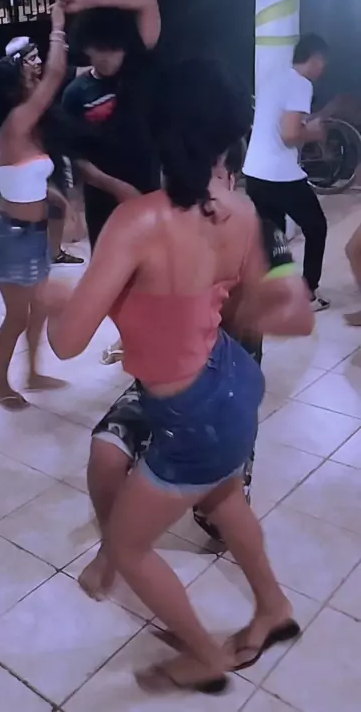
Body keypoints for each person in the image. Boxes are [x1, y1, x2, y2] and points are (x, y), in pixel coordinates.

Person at [46, 57, 313, 693]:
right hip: (233, 382)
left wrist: (58, 298)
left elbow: (65, 342)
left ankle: (204, 656)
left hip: (191, 412)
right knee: (224, 497)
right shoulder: (242, 212)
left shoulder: (138, 223)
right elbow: (264, 306)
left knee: (129, 546)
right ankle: (273, 607)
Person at [82, 139, 305, 591]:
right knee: (105, 452)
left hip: (221, 386)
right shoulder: (161, 227)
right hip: (166, 382)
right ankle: (113, 549)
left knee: (218, 519)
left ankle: (268, 602)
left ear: (230, 177)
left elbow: (291, 308)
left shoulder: (258, 229)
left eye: (212, 175)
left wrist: (236, 296)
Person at [0, 1, 71, 410]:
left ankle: (32, 373)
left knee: (39, 310)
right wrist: (58, 25)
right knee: (17, 317)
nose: (34, 72)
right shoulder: (15, 123)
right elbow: (56, 74)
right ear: (10, 89)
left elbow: (21, 180)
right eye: (26, 70)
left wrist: (57, 198)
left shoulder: (25, 127)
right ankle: (1, 383)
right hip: (12, 238)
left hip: (33, 236)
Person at [60, 0, 161, 362]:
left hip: (150, 193)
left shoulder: (139, 68)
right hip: (104, 199)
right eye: (97, 50)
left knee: (155, 271)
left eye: (112, 49)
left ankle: (156, 335)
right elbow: (77, 159)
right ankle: (129, 336)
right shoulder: (76, 93)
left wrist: (85, 1)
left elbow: (147, 1)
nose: (106, 58)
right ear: (86, 49)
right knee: (112, 278)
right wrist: (115, 187)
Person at [243, 34, 330, 312]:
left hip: (255, 173)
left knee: (274, 235)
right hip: (279, 176)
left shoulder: (275, 79)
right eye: (323, 63)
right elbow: (290, 134)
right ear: (315, 59)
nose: (323, 69)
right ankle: (307, 294)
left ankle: (275, 294)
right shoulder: (301, 84)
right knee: (316, 227)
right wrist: (313, 133)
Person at [5, 36, 85, 266]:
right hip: (27, 157)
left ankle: (55, 252)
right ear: (20, 63)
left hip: (52, 150)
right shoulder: (11, 93)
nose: (38, 61)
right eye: (32, 59)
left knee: (58, 203)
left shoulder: (46, 82)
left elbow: (79, 72)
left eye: (38, 56)